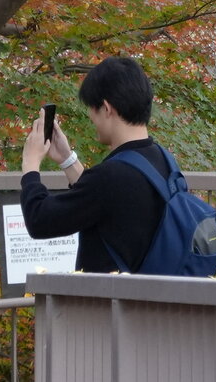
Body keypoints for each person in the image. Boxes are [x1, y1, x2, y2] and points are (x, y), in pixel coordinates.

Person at [17, 56, 173, 272]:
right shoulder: (163, 159)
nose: (91, 118)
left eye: (92, 109)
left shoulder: (112, 176)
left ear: (106, 108)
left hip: (110, 293)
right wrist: (67, 159)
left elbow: (39, 221)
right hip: (153, 288)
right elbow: (104, 201)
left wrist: (30, 165)